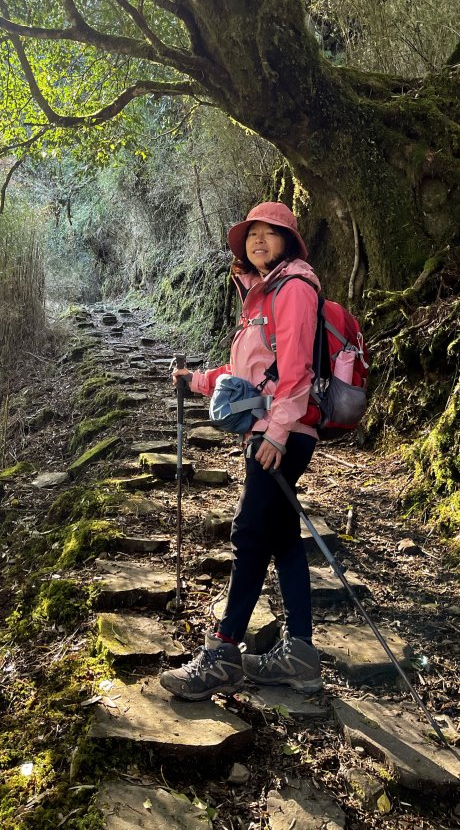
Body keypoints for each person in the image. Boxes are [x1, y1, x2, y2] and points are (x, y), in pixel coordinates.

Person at [159, 202, 322, 702]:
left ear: (288, 242)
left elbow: (297, 369)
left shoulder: (294, 289)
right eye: (252, 233)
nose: (258, 240)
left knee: (248, 533)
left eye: (270, 232)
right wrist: (196, 381)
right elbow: (244, 376)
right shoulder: (260, 298)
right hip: (270, 430)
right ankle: (299, 655)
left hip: (281, 433)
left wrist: (276, 433)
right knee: (282, 538)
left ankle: (224, 654)